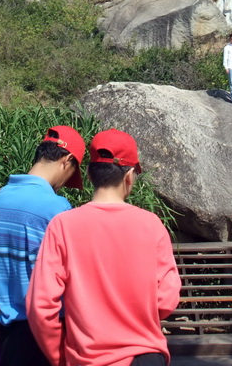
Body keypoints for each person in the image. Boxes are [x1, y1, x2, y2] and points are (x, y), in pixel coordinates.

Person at [26, 129, 181, 366]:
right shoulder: (151, 224)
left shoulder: (63, 225)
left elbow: (41, 305)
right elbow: (167, 299)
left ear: (88, 174)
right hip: (145, 355)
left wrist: (60, 357)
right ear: (129, 175)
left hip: (87, 358)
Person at [0, 125, 85, 366]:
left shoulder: (0, 197)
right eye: (71, 174)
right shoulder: (57, 208)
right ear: (67, 160)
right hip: (49, 330)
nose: (64, 183)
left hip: (9, 331)